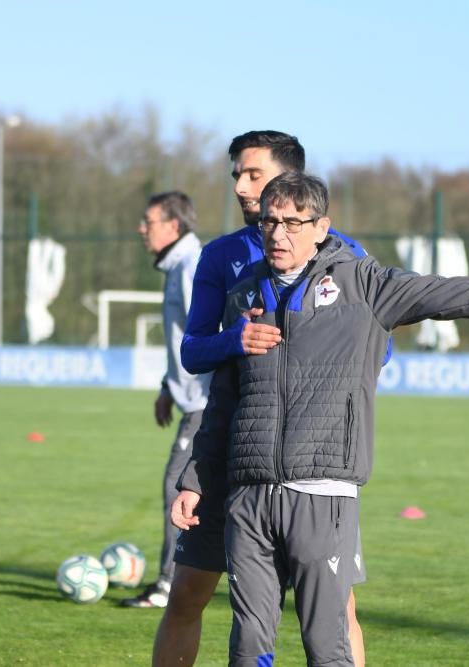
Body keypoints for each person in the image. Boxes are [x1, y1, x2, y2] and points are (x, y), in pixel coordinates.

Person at [172, 171, 469, 666]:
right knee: (247, 644)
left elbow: (447, 294)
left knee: (326, 645)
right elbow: (223, 403)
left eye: (292, 222)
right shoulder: (245, 296)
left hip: (322, 495)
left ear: (321, 226)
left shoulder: (363, 284)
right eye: (269, 221)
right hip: (250, 496)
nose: (278, 233)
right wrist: (195, 480)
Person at [154, 131, 370, 666]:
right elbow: (194, 351)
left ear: (288, 179)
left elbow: (371, 349)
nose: (240, 185)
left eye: (252, 173)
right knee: (187, 594)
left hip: (307, 457)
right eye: (235, 175)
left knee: (338, 609)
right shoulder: (221, 256)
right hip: (231, 442)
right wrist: (238, 339)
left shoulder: (344, 256)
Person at [121, 192, 212, 609]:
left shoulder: (192, 267)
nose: (142, 228)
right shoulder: (178, 265)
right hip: (194, 399)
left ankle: (167, 587)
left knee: (178, 487)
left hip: (206, 403)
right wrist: (166, 385)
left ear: (173, 226)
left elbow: (210, 333)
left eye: (149, 221)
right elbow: (186, 340)